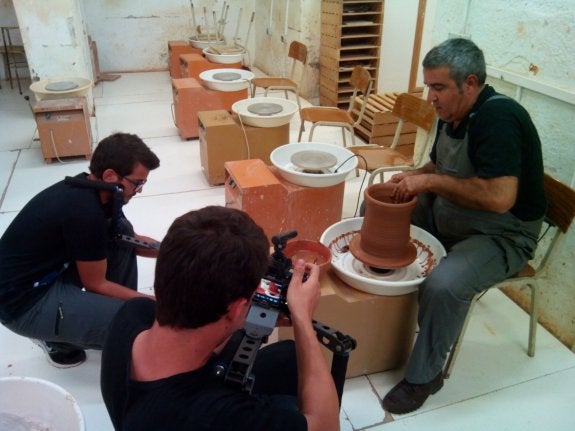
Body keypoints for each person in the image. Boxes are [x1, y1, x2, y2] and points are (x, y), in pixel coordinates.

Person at [381, 38, 546, 414]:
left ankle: (425, 377)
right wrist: (410, 177)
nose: (430, 98)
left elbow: (500, 197)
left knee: (444, 285)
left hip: (502, 232)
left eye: (438, 88)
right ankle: (382, 303)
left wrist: (430, 184)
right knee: (383, 207)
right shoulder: (452, 114)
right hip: (455, 211)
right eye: (429, 87)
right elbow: (437, 168)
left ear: (470, 83)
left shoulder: (499, 118)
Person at [100, 206, 340, 431]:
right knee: (291, 405)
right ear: (236, 309)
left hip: (154, 405)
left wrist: (246, 312)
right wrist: (302, 318)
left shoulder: (133, 313)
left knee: (287, 357)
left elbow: (195, 331)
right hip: (180, 414)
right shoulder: (215, 415)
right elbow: (327, 426)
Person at [0, 132, 160, 368]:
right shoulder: (84, 212)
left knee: (119, 237)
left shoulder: (93, 188)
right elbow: (97, 283)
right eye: (137, 183)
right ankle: (59, 341)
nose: (139, 190)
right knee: (136, 323)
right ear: (110, 176)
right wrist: (155, 304)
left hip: (49, 272)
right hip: (24, 304)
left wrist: (184, 252)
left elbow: (131, 239)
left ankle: (109, 311)